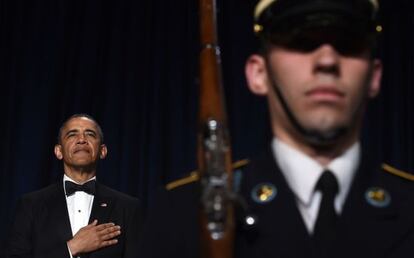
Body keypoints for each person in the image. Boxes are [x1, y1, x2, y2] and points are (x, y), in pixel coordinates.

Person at [141, 0, 414, 257]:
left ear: (375, 77)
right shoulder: (179, 216)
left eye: (348, 43)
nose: (327, 60)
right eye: (300, 42)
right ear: (259, 74)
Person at [6, 114, 143, 258]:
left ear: (103, 151)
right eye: (72, 135)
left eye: (90, 134)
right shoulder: (31, 205)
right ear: (59, 151)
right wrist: (71, 248)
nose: (82, 140)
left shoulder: (128, 207)